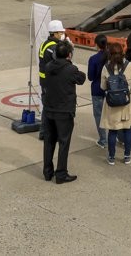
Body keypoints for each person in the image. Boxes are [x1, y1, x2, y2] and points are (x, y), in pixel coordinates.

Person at [41, 41, 87, 184]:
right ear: (69, 55)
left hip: (49, 109)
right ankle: (61, 173)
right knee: (63, 142)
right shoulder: (70, 69)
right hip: (64, 111)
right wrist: (71, 63)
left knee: (49, 142)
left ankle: (47, 171)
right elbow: (82, 78)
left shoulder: (48, 67)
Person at [100, 42, 131, 165]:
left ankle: (111, 157)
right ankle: (127, 156)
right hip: (127, 101)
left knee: (112, 131)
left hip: (112, 103)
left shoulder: (106, 67)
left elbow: (103, 87)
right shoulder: (130, 65)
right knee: (127, 129)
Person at [38, 20, 66, 140]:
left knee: (46, 107)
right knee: (52, 108)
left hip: (44, 81)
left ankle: (43, 132)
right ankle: (49, 132)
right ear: (54, 33)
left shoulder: (45, 44)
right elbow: (61, 63)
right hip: (51, 82)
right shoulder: (54, 48)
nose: (62, 34)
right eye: (60, 32)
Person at [87, 34, 109, 149]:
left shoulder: (93, 59)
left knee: (99, 115)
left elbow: (90, 77)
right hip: (111, 89)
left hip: (97, 88)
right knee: (113, 113)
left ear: (96, 45)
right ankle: (117, 136)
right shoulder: (112, 56)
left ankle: (103, 139)